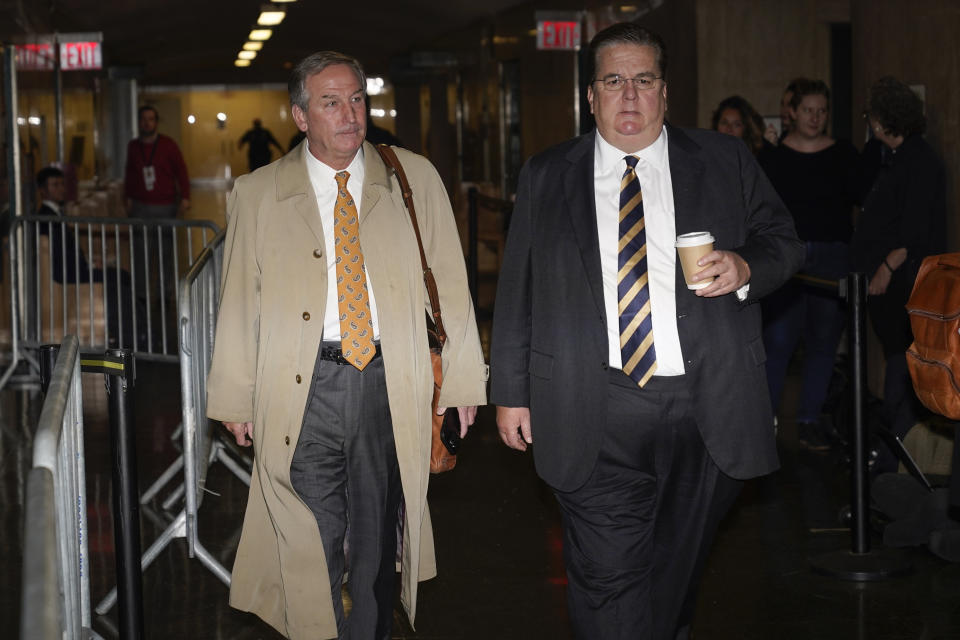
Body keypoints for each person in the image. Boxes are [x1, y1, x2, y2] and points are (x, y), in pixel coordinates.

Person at [490, 23, 802, 640]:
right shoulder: (549, 174)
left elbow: (784, 244)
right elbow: (516, 288)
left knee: (670, 574)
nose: (629, 96)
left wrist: (743, 266)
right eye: (613, 81)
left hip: (705, 402)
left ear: (665, 93)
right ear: (590, 96)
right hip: (592, 401)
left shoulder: (722, 160)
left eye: (644, 80)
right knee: (608, 579)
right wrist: (510, 388)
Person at [205, 51, 487, 640]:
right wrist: (235, 398)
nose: (349, 113)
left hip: (392, 382)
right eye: (330, 102)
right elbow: (238, 303)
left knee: (378, 542)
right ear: (301, 115)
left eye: (356, 98)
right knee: (311, 542)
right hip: (301, 387)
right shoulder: (258, 194)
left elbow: (451, 287)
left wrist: (462, 380)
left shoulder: (412, 179)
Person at [758, 79, 859, 450]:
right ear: (793, 113)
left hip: (833, 255)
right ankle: (763, 423)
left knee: (823, 341)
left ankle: (809, 421)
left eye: (822, 111)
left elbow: (863, 198)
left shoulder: (844, 155)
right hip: (789, 256)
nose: (816, 118)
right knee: (779, 339)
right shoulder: (772, 158)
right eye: (808, 110)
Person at [852, 76, 946, 473]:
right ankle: (896, 462)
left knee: (900, 378)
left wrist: (886, 268)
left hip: (903, 285)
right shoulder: (899, 158)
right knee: (898, 370)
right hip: (895, 286)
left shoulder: (918, 161)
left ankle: (899, 464)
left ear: (883, 120)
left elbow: (915, 232)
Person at [36, 166, 139, 348]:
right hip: (66, 274)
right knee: (117, 280)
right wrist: (88, 267)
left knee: (120, 276)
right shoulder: (46, 218)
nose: (60, 188)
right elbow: (61, 255)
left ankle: (130, 331)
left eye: (61, 184)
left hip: (74, 269)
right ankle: (129, 338)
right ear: (43, 191)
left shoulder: (54, 214)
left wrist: (90, 263)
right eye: (54, 185)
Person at [124, 105, 190, 302]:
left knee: (165, 254)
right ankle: (142, 294)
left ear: (156, 122)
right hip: (140, 207)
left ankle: (165, 293)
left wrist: (185, 196)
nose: (147, 123)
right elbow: (129, 174)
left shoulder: (168, 145)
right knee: (140, 253)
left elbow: (181, 171)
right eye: (143, 119)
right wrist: (127, 197)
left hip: (165, 206)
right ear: (139, 122)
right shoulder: (133, 147)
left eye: (151, 119)